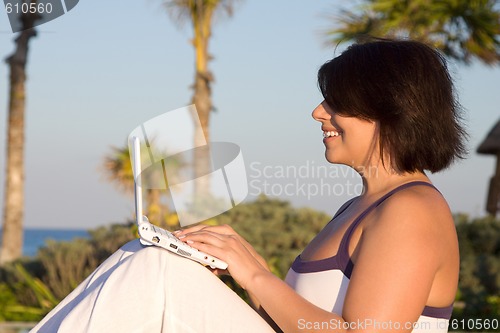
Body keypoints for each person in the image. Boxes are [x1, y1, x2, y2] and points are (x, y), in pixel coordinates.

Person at [31, 39, 465, 333]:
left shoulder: (413, 210)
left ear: (390, 112)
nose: (318, 112)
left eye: (337, 103)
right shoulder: (360, 207)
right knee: (144, 254)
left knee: (156, 270)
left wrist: (256, 275)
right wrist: (241, 266)